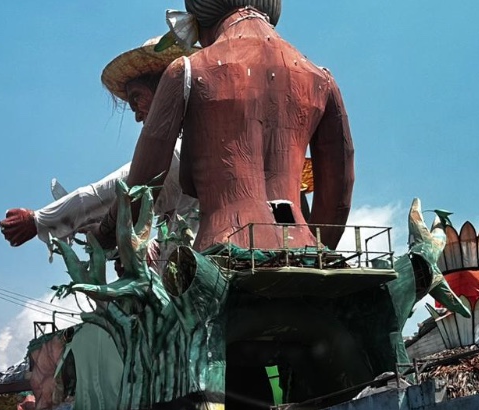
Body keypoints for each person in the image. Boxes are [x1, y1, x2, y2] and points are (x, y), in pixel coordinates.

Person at [96, 0, 354, 253]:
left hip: (223, 249)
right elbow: (338, 192)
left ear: (197, 20)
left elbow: (141, 188)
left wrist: (103, 235)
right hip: (303, 249)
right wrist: (317, 248)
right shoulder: (321, 79)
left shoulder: (188, 70)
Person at [0, 36, 197, 250]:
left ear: (164, 87)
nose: (137, 116)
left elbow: (111, 192)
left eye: (137, 98)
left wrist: (37, 220)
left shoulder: (180, 153)